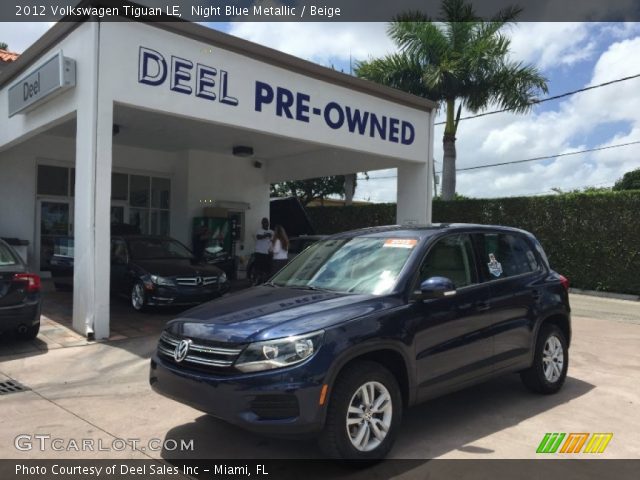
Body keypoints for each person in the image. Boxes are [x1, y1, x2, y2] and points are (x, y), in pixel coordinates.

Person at [254, 217, 273, 282]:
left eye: (267, 222)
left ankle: (265, 281)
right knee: (258, 269)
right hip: (259, 252)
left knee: (267, 270)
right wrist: (267, 235)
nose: (266, 223)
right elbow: (258, 237)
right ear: (262, 223)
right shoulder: (259, 230)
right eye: (264, 222)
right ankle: (256, 281)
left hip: (267, 253)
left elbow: (274, 240)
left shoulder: (271, 231)